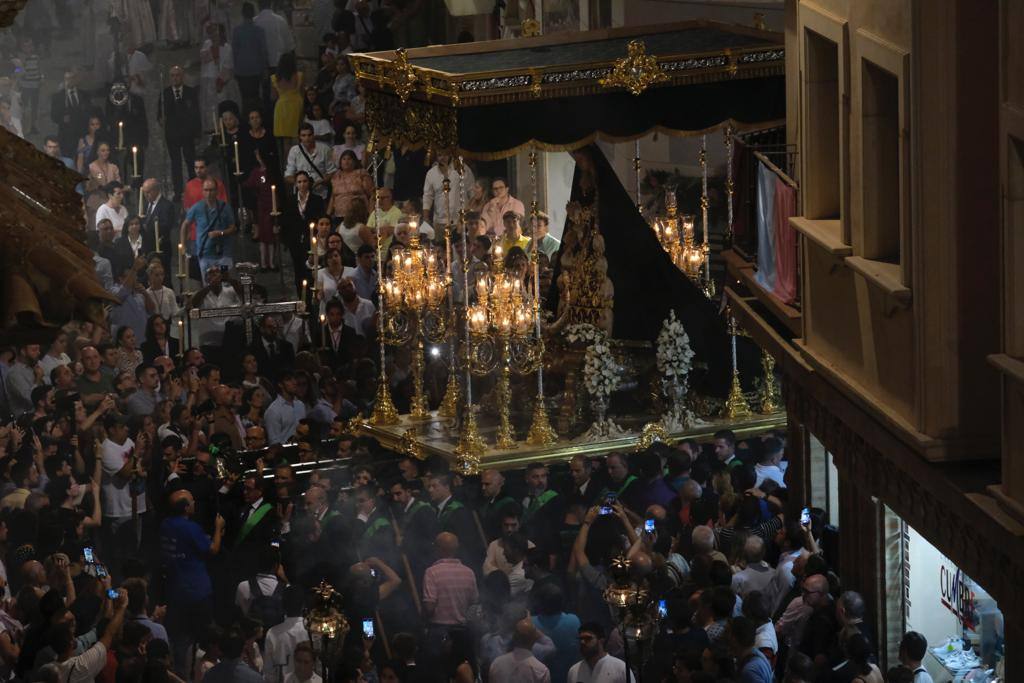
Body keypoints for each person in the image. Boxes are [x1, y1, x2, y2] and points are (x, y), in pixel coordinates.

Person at [51, 589, 129, 682]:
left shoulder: (48, 669)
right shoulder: (82, 666)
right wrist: (122, 607)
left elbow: (103, 627)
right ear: (72, 642)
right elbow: (109, 633)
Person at [182, 179, 238, 279]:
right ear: (202, 191)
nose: (209, 193)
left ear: (216, 191)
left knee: (225, 283)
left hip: (224, 254)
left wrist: (220, 233)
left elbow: (233, 228)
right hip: (205, 254)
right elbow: (185, 224)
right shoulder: (197, 207)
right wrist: (183, 246)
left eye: (211, 190)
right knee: (208, 285)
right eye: (206, 190)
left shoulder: (225, 207)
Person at [158, 66, 201, 196]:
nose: (175, 78)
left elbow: (196, 114)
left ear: (182, 76)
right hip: (172, 134)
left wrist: (197, 133)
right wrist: (162, 120)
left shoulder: (190, 92)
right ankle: (178, 191)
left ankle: (194, 188)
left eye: (177, 75)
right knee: (175, 164)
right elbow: (159, 115)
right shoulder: (165, 94)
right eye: (172, 75)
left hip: (187, 134)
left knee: (190, 161)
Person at [567, 622, 635, 683]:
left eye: (588, 638)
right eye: (581, 639)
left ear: (601, 640)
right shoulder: (574, 671)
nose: (582, 642)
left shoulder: (620, 668)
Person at [488, 617, 550, 683]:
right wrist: (533, 629)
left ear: (514, 637)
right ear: (534, 639)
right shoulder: (541, 671)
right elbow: (550, 646)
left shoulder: (496, 663)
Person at [233, 3, 269, 112]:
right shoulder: (259, 31)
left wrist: (235, 69)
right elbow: (263, 52)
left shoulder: (237, 30)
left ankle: (246, 119)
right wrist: (265, 69)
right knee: (255, 97)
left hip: (241, 70)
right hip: (256, 69)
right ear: (253, 13)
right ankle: (256, 119)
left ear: (242, 14)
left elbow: (234, 52)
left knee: (244, 98)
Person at [285, 123, 337, 199]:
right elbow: (288, 176)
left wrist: (320, 182)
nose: (307, 138)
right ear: (299, 137)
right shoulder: (294, 151)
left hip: (321, 193)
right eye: (303, 135)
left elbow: (332, 172)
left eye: (309, 135)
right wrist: (303, 183)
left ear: (313, 135)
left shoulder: (324, 149)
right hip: (301, 195)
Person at [51, 70, 91, 159]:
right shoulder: (58, 97)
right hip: (66, 135)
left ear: (76, 79)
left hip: (82, 133)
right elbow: (53, 116)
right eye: (67, 79)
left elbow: (89, 111)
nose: (69, 81)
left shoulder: (84, 95)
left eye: (72, 78)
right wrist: (62, 119)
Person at [265, 371, 307, 445]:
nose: (294, 382)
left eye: (294, 379)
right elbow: (274, 442)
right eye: (289, 379)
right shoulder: (273, 410)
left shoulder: (300, 405)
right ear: (280, 384)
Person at [331, 149, 374, 220]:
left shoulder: (361, 173)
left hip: (358, 215)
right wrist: (327, 215)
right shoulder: (336, 175)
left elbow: (372, 195)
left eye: (349, 159)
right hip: (339, 215)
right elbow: (333, 197)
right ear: (340, 162)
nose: (346, 162)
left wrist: (370, 214)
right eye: (344, 159)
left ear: (354, 161)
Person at [273, 53, 304, 146]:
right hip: (296, 105)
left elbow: (274, 96)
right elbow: (303, 93)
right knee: (300, 136)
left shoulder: (274, 78)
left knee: (286, 140)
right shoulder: (299, 76)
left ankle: (285, 160)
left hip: (281, 107)